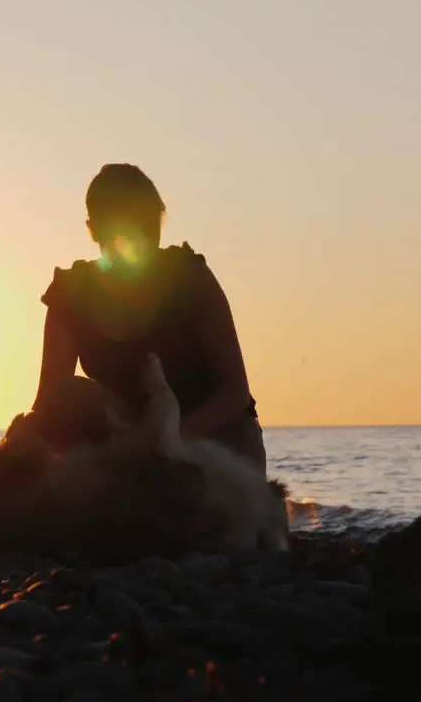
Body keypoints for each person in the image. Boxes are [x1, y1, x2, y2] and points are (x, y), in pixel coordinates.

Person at [34, 163, 268, 473]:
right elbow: (52, 401)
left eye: (148, 225)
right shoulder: (71, 293)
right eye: (124, 229)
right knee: (72, 398)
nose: (139, 240)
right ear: (94, 230)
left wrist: (168, 439)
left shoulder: (190, 278)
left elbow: (235, 392)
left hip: (212, 437)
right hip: (125, 439)